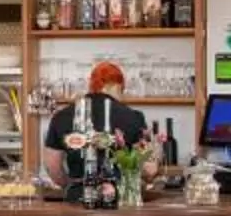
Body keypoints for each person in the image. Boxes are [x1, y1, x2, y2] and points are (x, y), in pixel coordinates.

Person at [40, 60, 171, 197]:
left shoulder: (61, 116)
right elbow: (149, 170)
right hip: (120, 200)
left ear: (91, 85)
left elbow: (52, 167)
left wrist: (71, 185)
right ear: (119, 87)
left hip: (78, 199)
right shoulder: (134, 117)